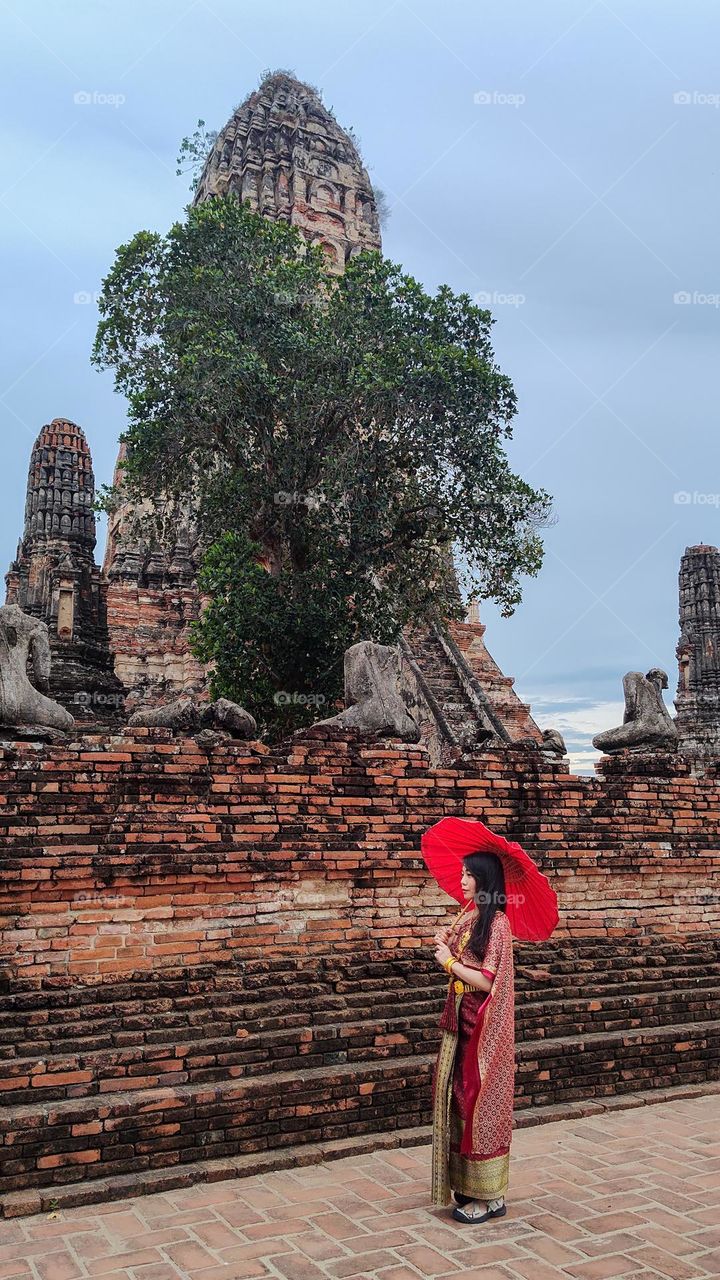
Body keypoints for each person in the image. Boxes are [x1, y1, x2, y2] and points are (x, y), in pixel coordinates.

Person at [430, 851, 515, 1223]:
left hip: (483, 1025)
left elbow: (488, 981)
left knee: (479, 1103)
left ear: (485, 880)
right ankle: (466, 1187)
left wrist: (450, 962)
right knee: (457, 1100)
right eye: (462, 873)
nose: (462, 881)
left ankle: (490, 1196)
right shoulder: (469, 918)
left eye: (469, 875)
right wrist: (447, 943)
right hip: (458, 1020)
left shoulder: (498, 924)